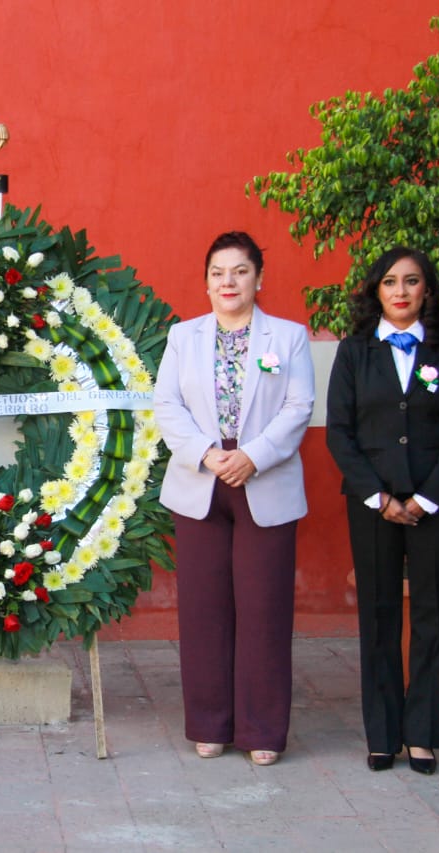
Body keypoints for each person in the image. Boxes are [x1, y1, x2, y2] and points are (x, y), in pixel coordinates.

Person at [152, 231, 314, 766]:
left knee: (264, 609)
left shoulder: (288, 338)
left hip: (263, 481)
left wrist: (255, 455)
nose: (229, 281)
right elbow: (167, 405)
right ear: (206, 281)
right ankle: (209, 723)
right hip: (201, 481)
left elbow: (298, 406)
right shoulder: (183, 337)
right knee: (204, 609)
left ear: (258, 279)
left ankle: (262, 730)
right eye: (219, 272)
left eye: (240, 271)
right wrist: (206, 453)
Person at [326, 248, 439, 775]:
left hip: (434, 500)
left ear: (427, 291)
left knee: (434, 614)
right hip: (372, 505)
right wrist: (380, 496)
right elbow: (340, 433)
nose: (401, 291)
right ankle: (383, 734)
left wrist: (426, 496)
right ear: (376, 291)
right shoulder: (354, 352)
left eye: (412, 282)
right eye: (390, 282)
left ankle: (423, 733)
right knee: (379, 613)